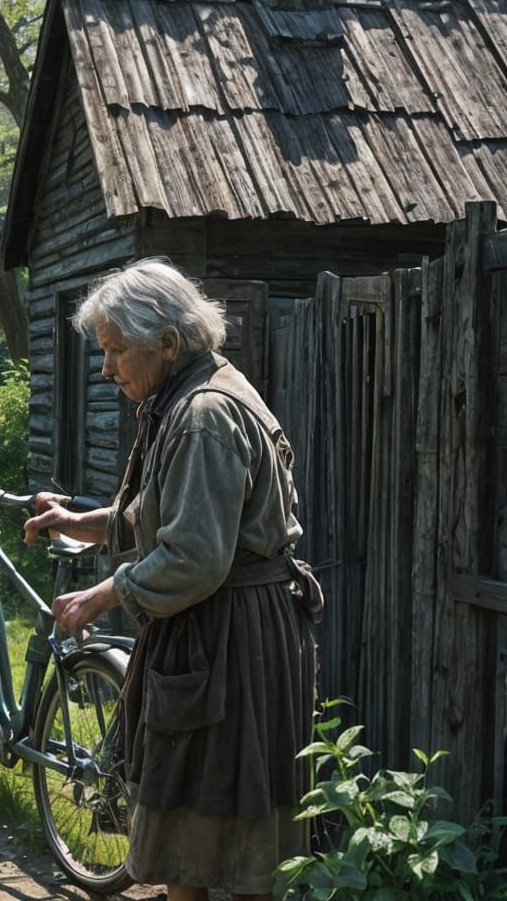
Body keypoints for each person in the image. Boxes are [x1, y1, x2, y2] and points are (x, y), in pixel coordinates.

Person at [24, 258, 320, 901]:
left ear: (165, 341)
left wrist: (104, 594)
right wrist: (79, 522)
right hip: (227, 631)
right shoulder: (192, 394)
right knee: (199, 823)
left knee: (221, 828)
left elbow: (192, 557)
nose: (106, 370)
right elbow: (159, 515)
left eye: (115, 351)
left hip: (231, 642)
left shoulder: (204, 414)